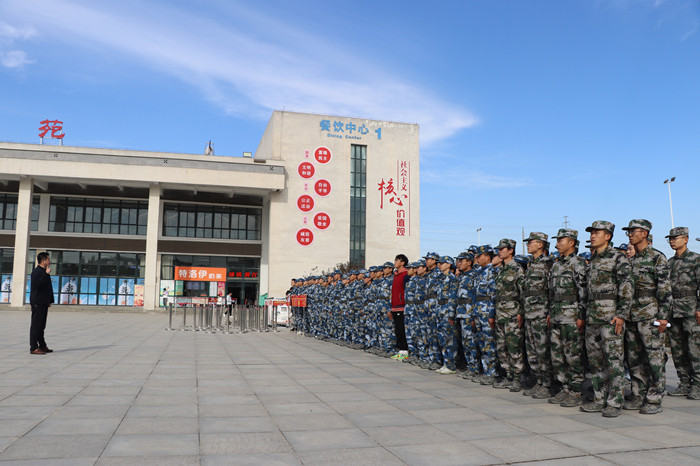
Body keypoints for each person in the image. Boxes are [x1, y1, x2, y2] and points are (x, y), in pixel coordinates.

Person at [581, 220, 632, 418]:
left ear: (608, 236)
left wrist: (621, 314)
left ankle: (615, 401)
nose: (593, 235)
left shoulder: (617, 258)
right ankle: (599, 398)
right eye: (592, 232)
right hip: (593, 317)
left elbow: (626, 287)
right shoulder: (593, 260)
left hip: (610, 317)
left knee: (613, 360)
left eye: (597, 232)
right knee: (596, 362)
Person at [623, 219, 672, 414]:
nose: (630, 234)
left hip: (650, 315)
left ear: (644, 233)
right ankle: (638, 394)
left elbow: (665, 290)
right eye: (629, 232)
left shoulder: (657, 258)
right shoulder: (631, 261)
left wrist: (663, 317)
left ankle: (654, 397)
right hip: (632, 316)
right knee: (634, 359)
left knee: (654, 358)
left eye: (633, 231)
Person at [549, 228, 588, 407]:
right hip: (557, 316)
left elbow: (583, 292)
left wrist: (581, 316)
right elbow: (552, 293)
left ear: (571, 242)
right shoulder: (556, 265)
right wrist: (550, 312)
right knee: (558, 356)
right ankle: (565, 387)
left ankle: (576, 390)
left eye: (561, 240)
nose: (557, 243)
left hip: (571, 317)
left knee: (573, 355)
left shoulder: (578, 263)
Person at [666, 227, 700, 400]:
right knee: (677, 349)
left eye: (675, 238)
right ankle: (684, 383)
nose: (672, 241)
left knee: (694, 349)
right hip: (673, 311)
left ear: (685, 239)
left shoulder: (695, 260)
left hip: (690, 310)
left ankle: (698, 384)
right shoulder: (669, 263)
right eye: (670, 239)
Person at [522, 232, 554, 399]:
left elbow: (551, 289)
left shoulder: (548, 263)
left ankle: (548, 384)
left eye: (531, 242)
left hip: (541, 314)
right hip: (529, 313)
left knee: (543, 351)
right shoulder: (530, 264)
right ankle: (539, 381)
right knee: (532, 351)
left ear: (540, 245)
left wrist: (549, 312)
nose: (528, 245)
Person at [494, 239, 525, 391]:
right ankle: (508, 375)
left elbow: (522, 293)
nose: (499, 251)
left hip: (512, 313)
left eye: (502, 249)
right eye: (499, 249)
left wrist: (521, 313)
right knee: (502, 347)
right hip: (500, 313)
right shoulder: (501, 270)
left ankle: (518, 378)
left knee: (514, 346)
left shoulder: (517, 269)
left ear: (511, 250)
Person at [30, 252, 55, 355]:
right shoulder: (37, 272)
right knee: (36, 325)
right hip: (38, 302)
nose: (49, 261)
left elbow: (47, 288)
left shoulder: (44, 271)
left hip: (43, 302)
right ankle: (33, 347)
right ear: (43, 260)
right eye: (48, 259)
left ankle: (42, 346)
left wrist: (48, 300)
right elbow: (37, 285)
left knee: (41, 325)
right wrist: (46, 274)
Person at [390, 254, 410, 360]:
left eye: (397, 260)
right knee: (397, 330)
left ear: (402, 263)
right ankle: (401, 351)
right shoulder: (396, 275)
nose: (395, 262)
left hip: (401, 307)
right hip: (394, 306)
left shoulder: (405, 275)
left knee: (402, 330)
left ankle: (405, 352)